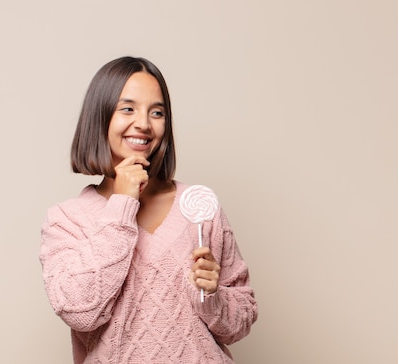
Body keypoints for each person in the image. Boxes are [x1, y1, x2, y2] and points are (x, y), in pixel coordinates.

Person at [39, 56, 258, 363]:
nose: (143, 123)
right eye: (127, 108)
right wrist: (122, 204)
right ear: (99, 116)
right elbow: (80, 311)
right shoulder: (65, 220)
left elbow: (242, 319)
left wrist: (212, 297)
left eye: (156, 112)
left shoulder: (198, 207)